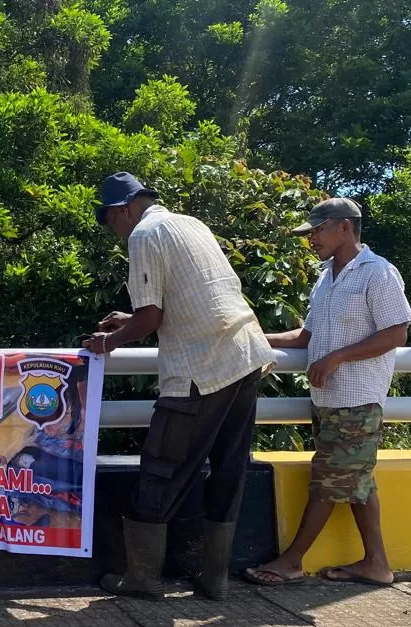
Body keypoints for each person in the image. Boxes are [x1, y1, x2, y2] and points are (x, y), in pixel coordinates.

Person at [83, 172, 274, 601]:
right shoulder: (190, 223)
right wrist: (126, 319)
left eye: (109, 220)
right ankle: (215, 578)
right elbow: (181, 303)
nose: (113, 230)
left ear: (123, 209)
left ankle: (142, 577)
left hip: (199, 368)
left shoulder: (144, 235)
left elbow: (151, 319)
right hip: (244, 357)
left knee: (161, 468)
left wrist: (107, 342)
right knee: (229, 467)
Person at [242, 198, 411, 588]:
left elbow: (397, 333)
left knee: (327, 481)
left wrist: (337, 358)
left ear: (344, 227)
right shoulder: (326, 277)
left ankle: (291, 561)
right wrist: (252, 339)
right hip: (327, 400)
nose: (312, 239)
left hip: (357, 398)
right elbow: (306, 337)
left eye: (317, 231)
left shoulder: (378, 273)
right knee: (355, 481)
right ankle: (377, 564)